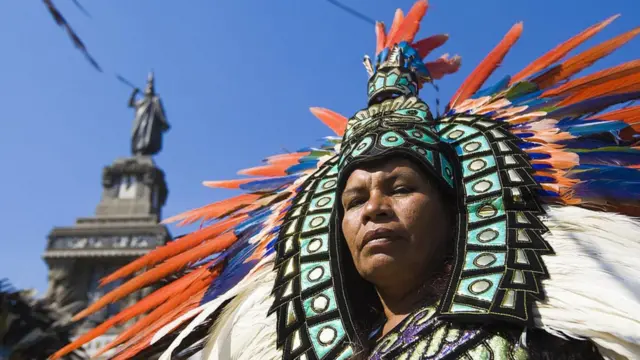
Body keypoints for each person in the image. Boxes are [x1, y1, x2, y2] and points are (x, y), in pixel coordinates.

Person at [53, 1, 640, 359]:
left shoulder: (540, 343)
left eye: (401, 188)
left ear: (455, 209)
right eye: (355, 199)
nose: (374, 209)